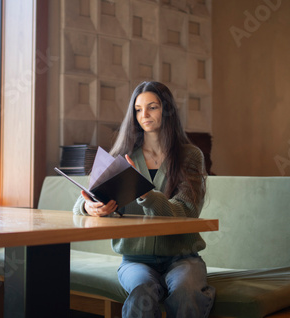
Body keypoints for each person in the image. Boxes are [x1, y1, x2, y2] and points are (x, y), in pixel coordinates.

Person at [73, 81, 215, 318]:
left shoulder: (190, 156)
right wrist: (90, 207)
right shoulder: (120, 156)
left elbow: (187, 210)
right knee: (142, 292)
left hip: (183, 257)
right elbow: (81, 204)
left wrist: (146, 194)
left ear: (167, 110)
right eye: (138, 109)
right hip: (135, 260)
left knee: (185, 291)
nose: (144, 115)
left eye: (152, 107)